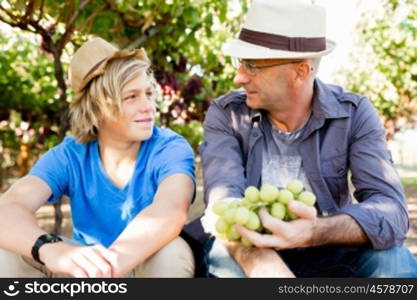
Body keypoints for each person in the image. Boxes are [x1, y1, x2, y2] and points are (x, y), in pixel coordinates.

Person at [195, 0, 417, 277]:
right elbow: (223, 205)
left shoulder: (354, 114)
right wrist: (265, 264)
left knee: (395, 262)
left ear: (299, 72)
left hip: (330, 250)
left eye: (252, 66)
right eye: (240, 63)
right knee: (223, 260)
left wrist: (313, 232)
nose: (239, 77)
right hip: (252, 248)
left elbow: (392, 212)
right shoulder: (226, 114)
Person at [0, 37, 196, 278]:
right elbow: (7, 208)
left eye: (148, 93)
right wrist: (50, 249)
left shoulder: (170, 148)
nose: (148, 106)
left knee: (171, 252)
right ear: (97, 108)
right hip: (86, 269)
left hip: (139, 264)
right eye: (131, 97)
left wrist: (110, 267)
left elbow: (170, 210)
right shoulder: (70, 155)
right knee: (6, 251)